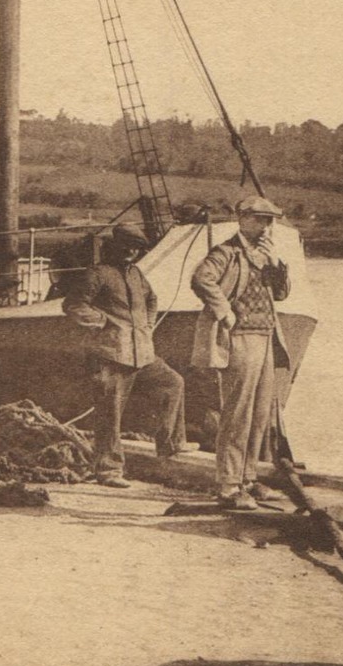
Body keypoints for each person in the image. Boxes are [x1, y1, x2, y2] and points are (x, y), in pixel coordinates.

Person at [62, 222, 188, 487]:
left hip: (142, 353)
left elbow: (151, 300)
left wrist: (147, 325)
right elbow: (73, 305)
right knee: (111, 412)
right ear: (114, 246)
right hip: (110, 354)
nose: (131, 251)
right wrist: (102, 323)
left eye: (136, 248)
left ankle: (170, 444)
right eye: (126, 246)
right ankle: (108, 470)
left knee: (172, 383)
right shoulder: (97, 274)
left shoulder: (136, 275)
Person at [190, 196, 292, 510]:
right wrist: (224, 311)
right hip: (239, 338)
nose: (264, 226)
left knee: (261, 413)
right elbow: (201, 279)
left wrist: (276, 265)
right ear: (242, 219)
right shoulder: (226, 252)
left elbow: (282, 294)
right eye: (258, 219)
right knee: (238, 413)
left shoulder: (266, 254)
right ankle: (229, 485)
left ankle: (249, 478)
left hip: (266, 337)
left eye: (269, 220)